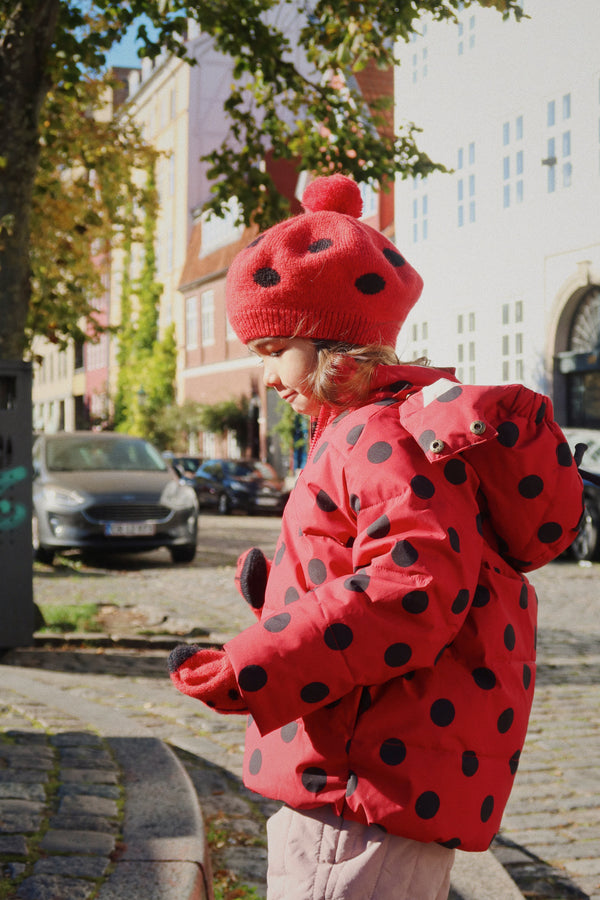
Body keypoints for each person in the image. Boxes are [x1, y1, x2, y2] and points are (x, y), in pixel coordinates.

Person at [168, 174, 584, 900]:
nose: (265, 375)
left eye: (274, 347)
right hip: (377, 778)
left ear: (334, 341)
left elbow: (411, 591)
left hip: (358, 790)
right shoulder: (381, 428)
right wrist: (287, 587)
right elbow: (391, 565)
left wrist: (258, 660)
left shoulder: (376, 435)